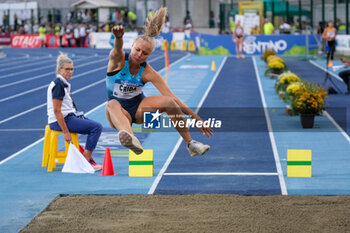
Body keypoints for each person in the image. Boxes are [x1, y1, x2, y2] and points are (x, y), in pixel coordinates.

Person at [105, 7, 212, 156]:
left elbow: (173, 98)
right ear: (132, 46)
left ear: (149, 56)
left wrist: (196, 118)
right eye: (137, 50)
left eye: (145, 53)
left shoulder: (148, 72)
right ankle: (130, 138)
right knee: (111, 104)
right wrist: (118, 38)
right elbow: (117, 51)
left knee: (169, 102)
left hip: (138, 110)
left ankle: (191, 143)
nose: (139, 55)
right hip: (117, 113)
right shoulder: (118, 61)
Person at [47, 53, 103, 170]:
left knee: (93, 125)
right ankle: (85, 161)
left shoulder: (62, 83)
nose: (70, 72)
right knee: (96, 127)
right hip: (61, 120)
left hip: (69, 117)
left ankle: (85, 158)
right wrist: (66, 132)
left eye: (72, 69)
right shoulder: (58, 85)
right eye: (67, 69)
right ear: (59, 70)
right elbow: (57, 111)